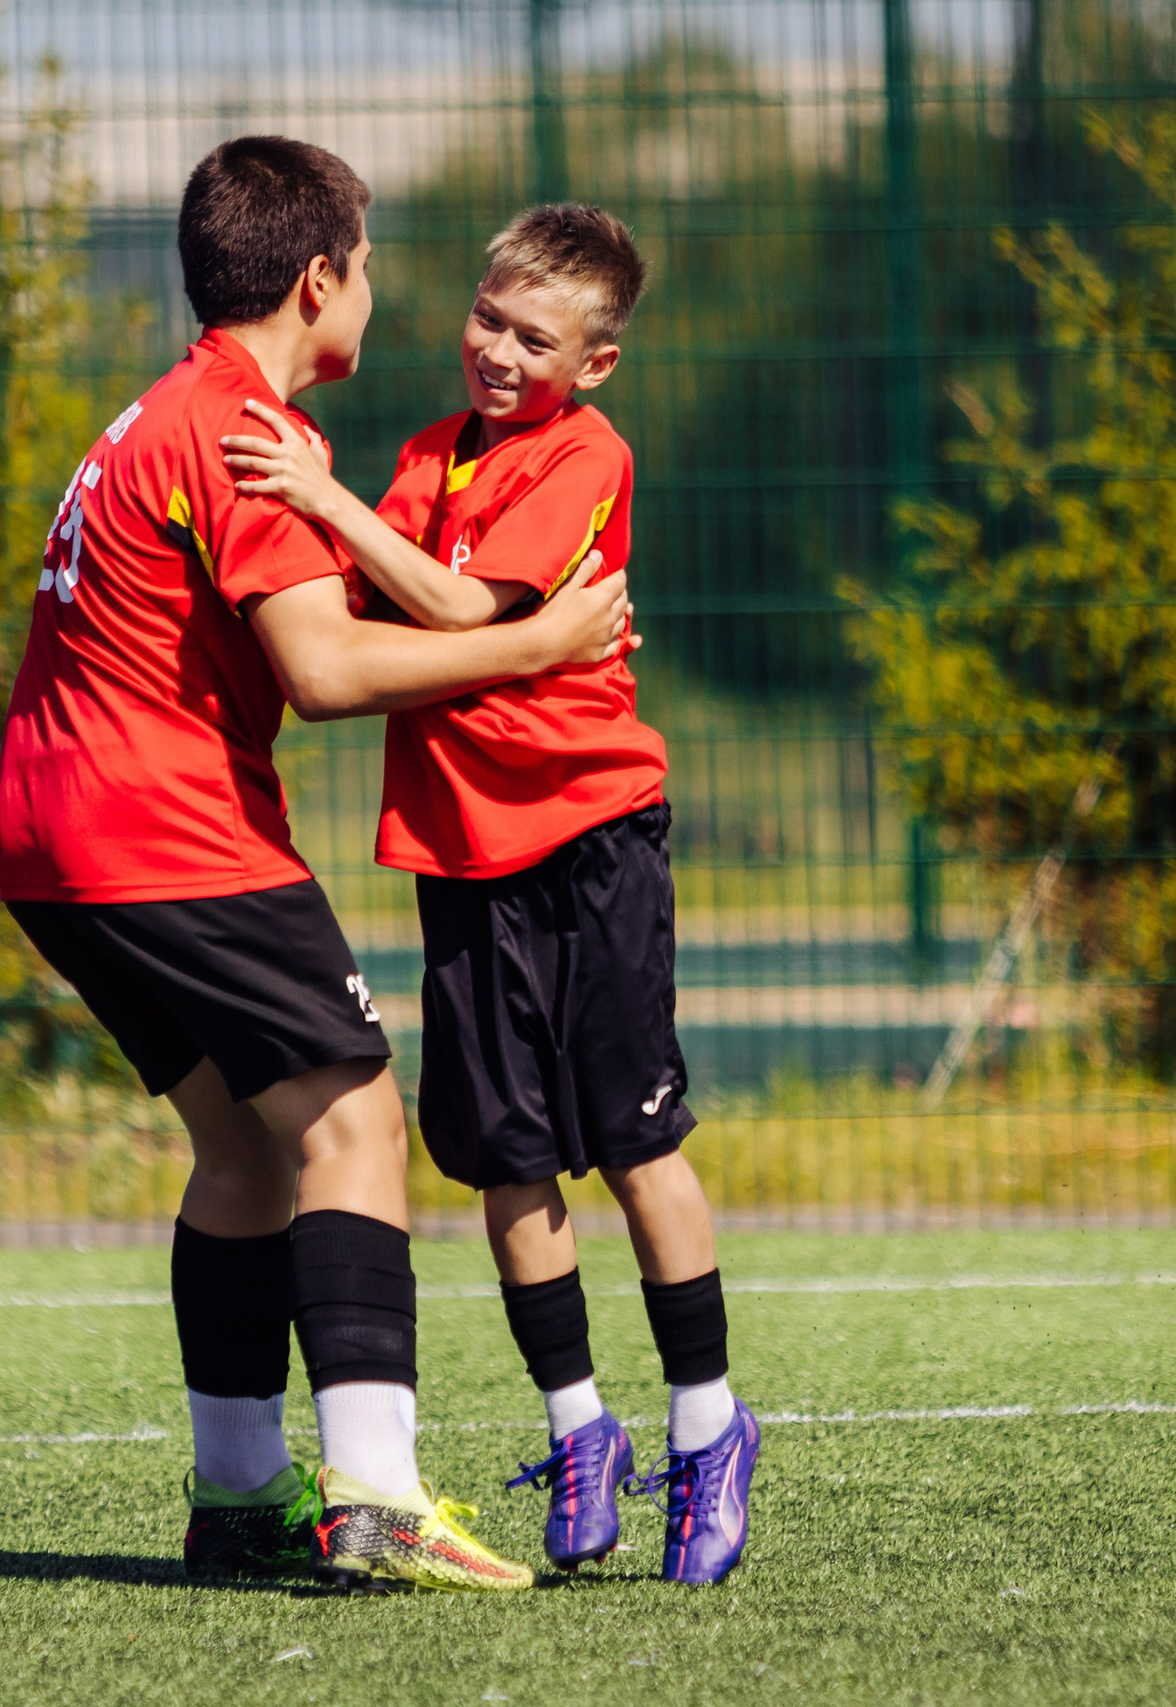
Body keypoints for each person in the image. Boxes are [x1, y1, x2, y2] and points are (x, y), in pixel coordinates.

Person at [0, 139, 636, 1593]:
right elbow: (327, 667)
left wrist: (504, 613)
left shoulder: (166, 411)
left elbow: (332, 603)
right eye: (372, 266)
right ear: (318, 279)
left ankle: (238, 1496)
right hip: (164, 828)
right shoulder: (242, 428)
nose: (381, 294)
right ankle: (380, 1495)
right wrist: (537, 644)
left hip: (49, 834)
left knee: (243, 1149)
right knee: (352, 1120)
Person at [219, 204, 760, 1585]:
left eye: (534, 338)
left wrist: (323, 498)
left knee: (635, 1142)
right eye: (487, 318)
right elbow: (368, 611)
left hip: (592, 840)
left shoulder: (587, 454)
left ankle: (708, 1427)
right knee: (506, 1159)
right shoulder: (423, 457)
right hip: (461, 860)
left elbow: (460, 612)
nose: (499, 352)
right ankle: (581, 1430)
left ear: (596, 363)